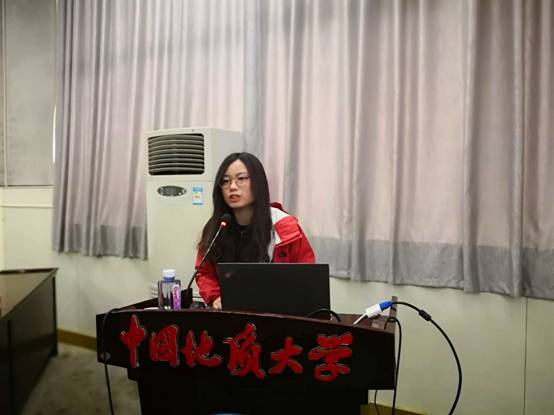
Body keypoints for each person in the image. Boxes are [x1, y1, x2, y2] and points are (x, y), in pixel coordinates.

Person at [195, 152, 315, 309]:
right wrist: (215, 296)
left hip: (279, 312)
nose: (232, 187)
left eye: (241, 179)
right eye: (225, 181)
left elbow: (307, 276)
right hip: (232, 312)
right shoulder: (218, 227)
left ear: (258, 183)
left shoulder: (284, 226)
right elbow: (204, 272)